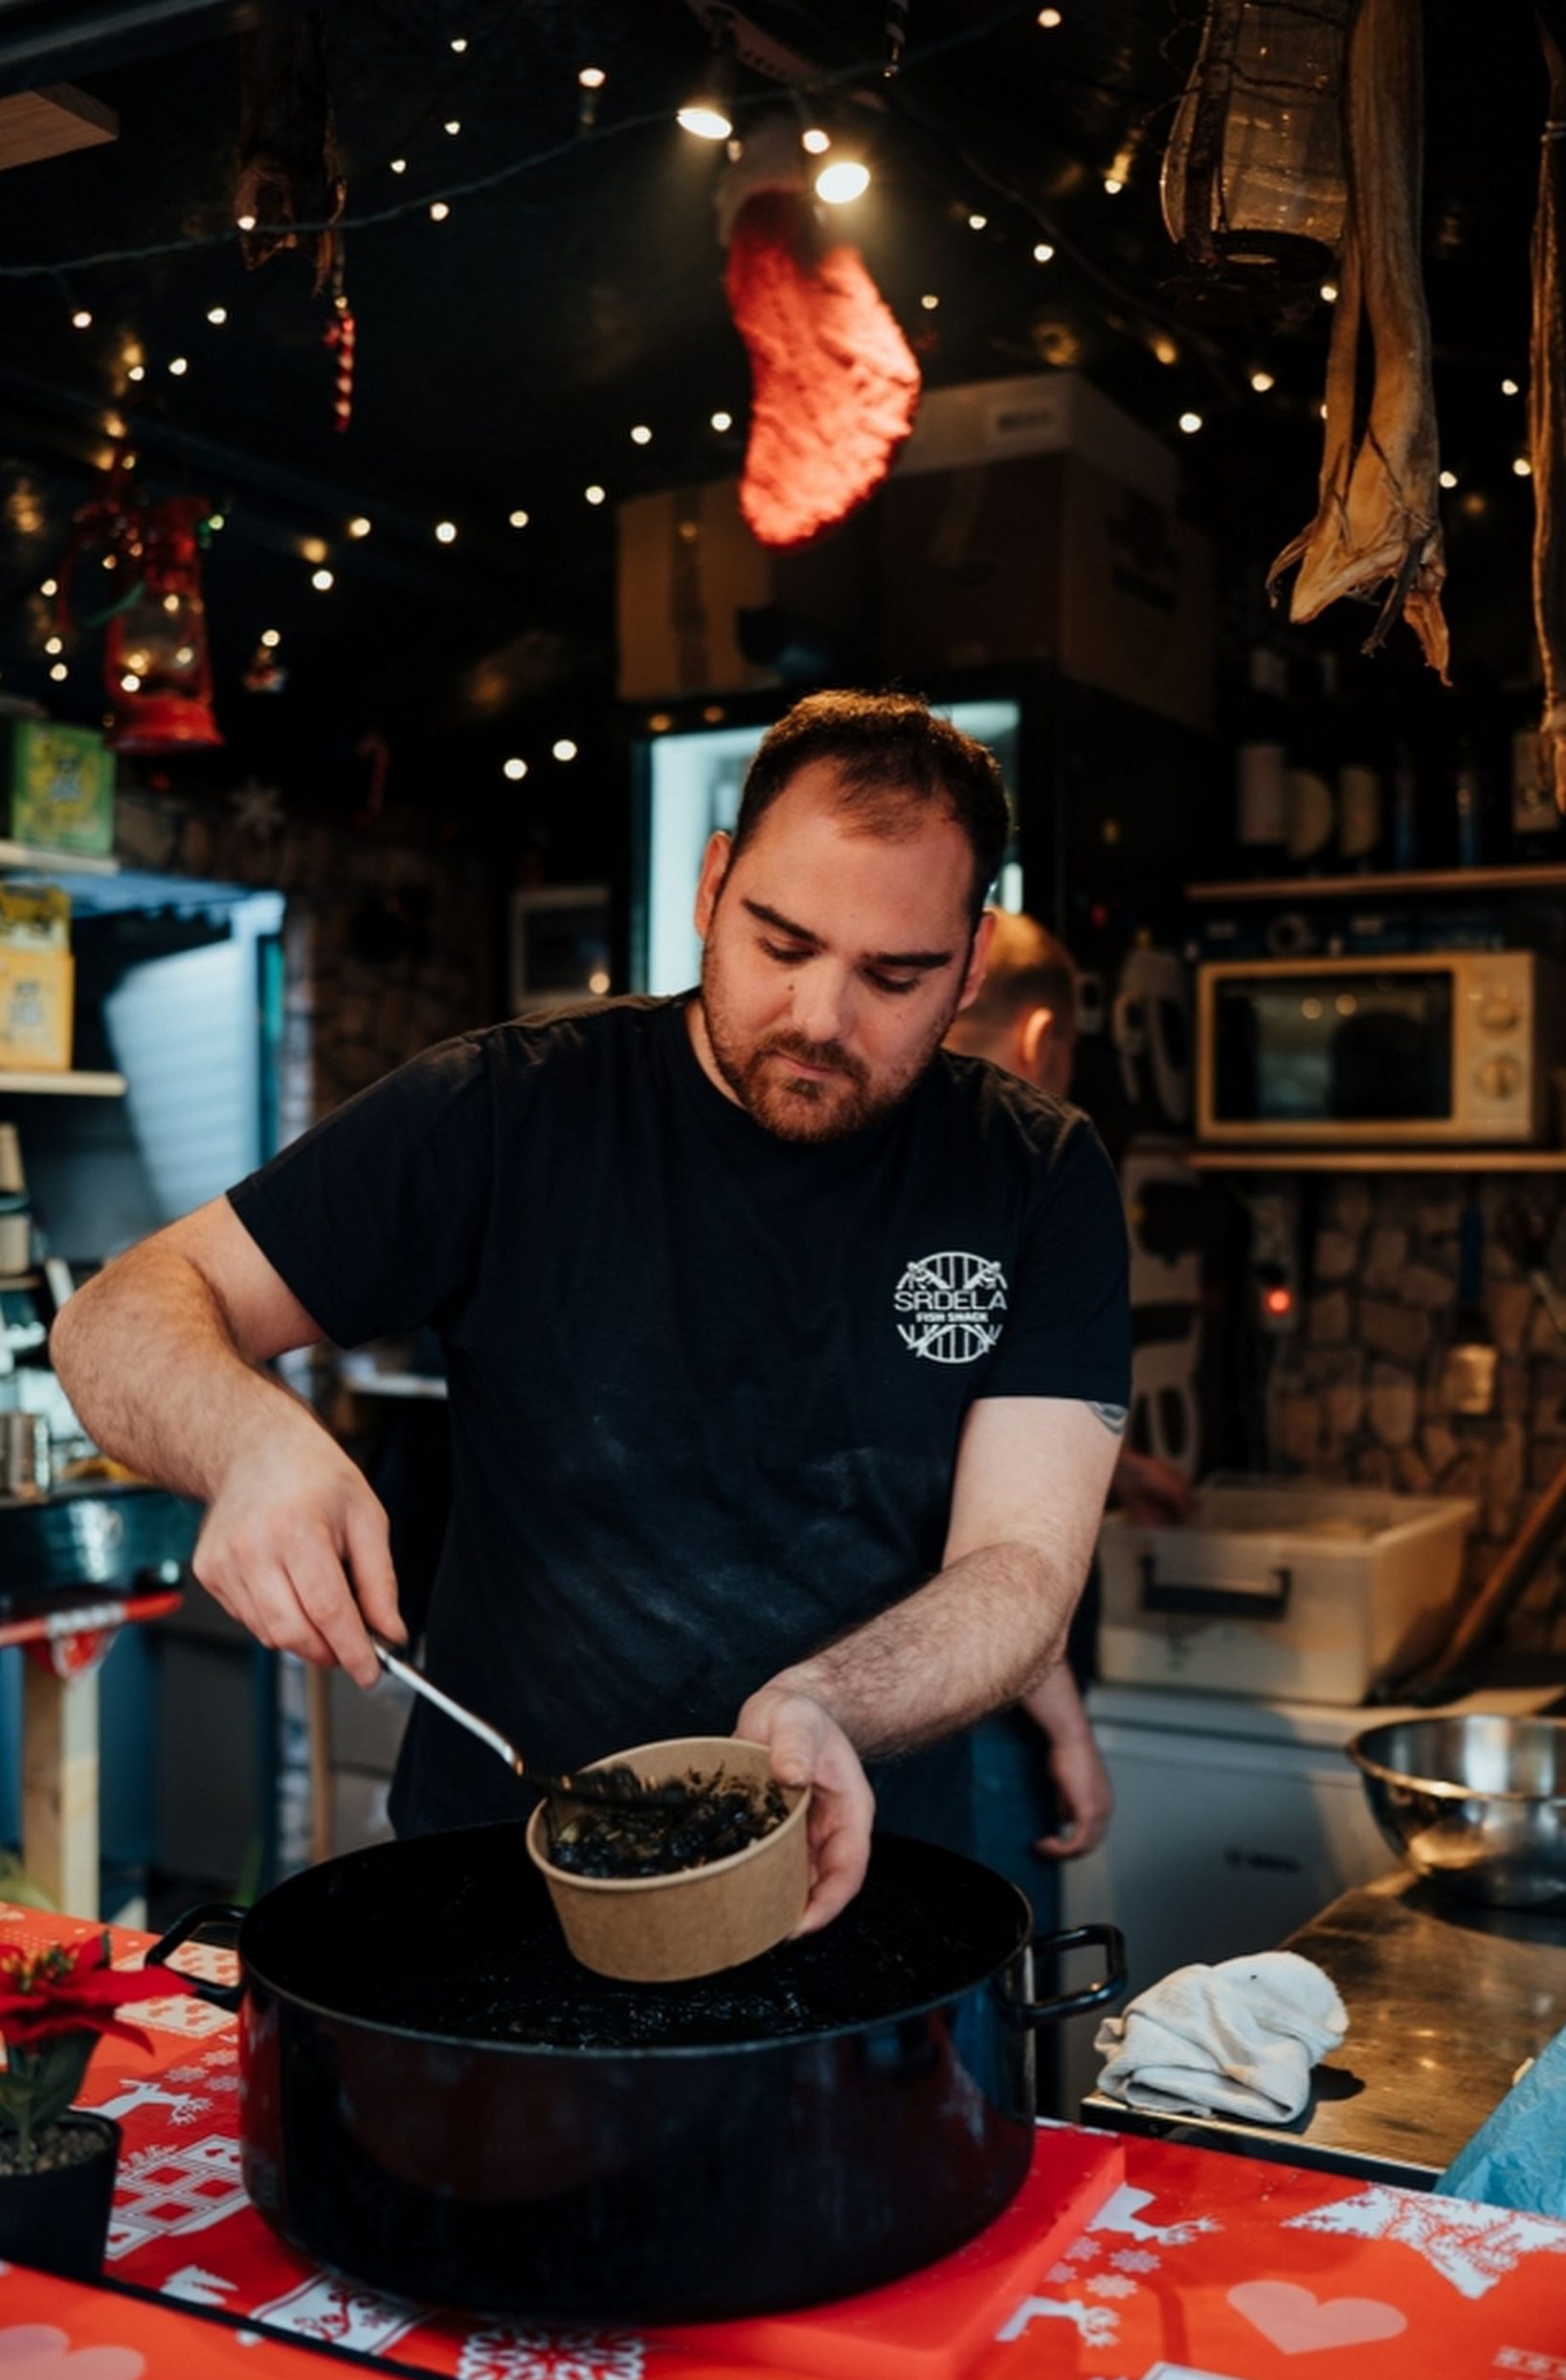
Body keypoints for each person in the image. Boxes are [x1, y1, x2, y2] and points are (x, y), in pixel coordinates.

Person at [49, 691, 1131, 1936]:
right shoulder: (509, 1113)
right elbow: (114, 1315)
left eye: (894, 976)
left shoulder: (1031, 1175)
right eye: (780, 944)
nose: (820, 1020)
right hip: (501, 1883)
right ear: (712, 886)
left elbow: (1020, 1569)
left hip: (854, 1891)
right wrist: (249, 1442)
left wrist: (825, 1702)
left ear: (973, 963)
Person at [945, 911, 1189, 1899]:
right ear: (1045, 1036)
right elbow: (973, 1533)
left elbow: (959, 1416)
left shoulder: (879, 1165)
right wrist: (1069, 1729)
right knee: (973, 2010)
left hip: (850, 1698)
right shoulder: (1029, 1175)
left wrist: (1117, 1469)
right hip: (982, 1710)